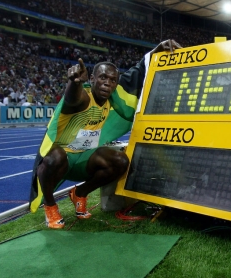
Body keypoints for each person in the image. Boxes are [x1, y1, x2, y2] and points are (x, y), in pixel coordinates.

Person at [29, 39, 182, 229]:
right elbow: (72, 99)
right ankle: (51, 206)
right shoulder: (84, 97)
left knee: (121, 161)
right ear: (92, 80)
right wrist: (74, 83)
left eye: (112, 80)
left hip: (84, 159)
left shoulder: (113, 98)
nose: (107, 84)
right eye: (102, 78)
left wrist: (157, 49)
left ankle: (80, 193)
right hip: (62, 161)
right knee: (54, 156)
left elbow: (136, 73)